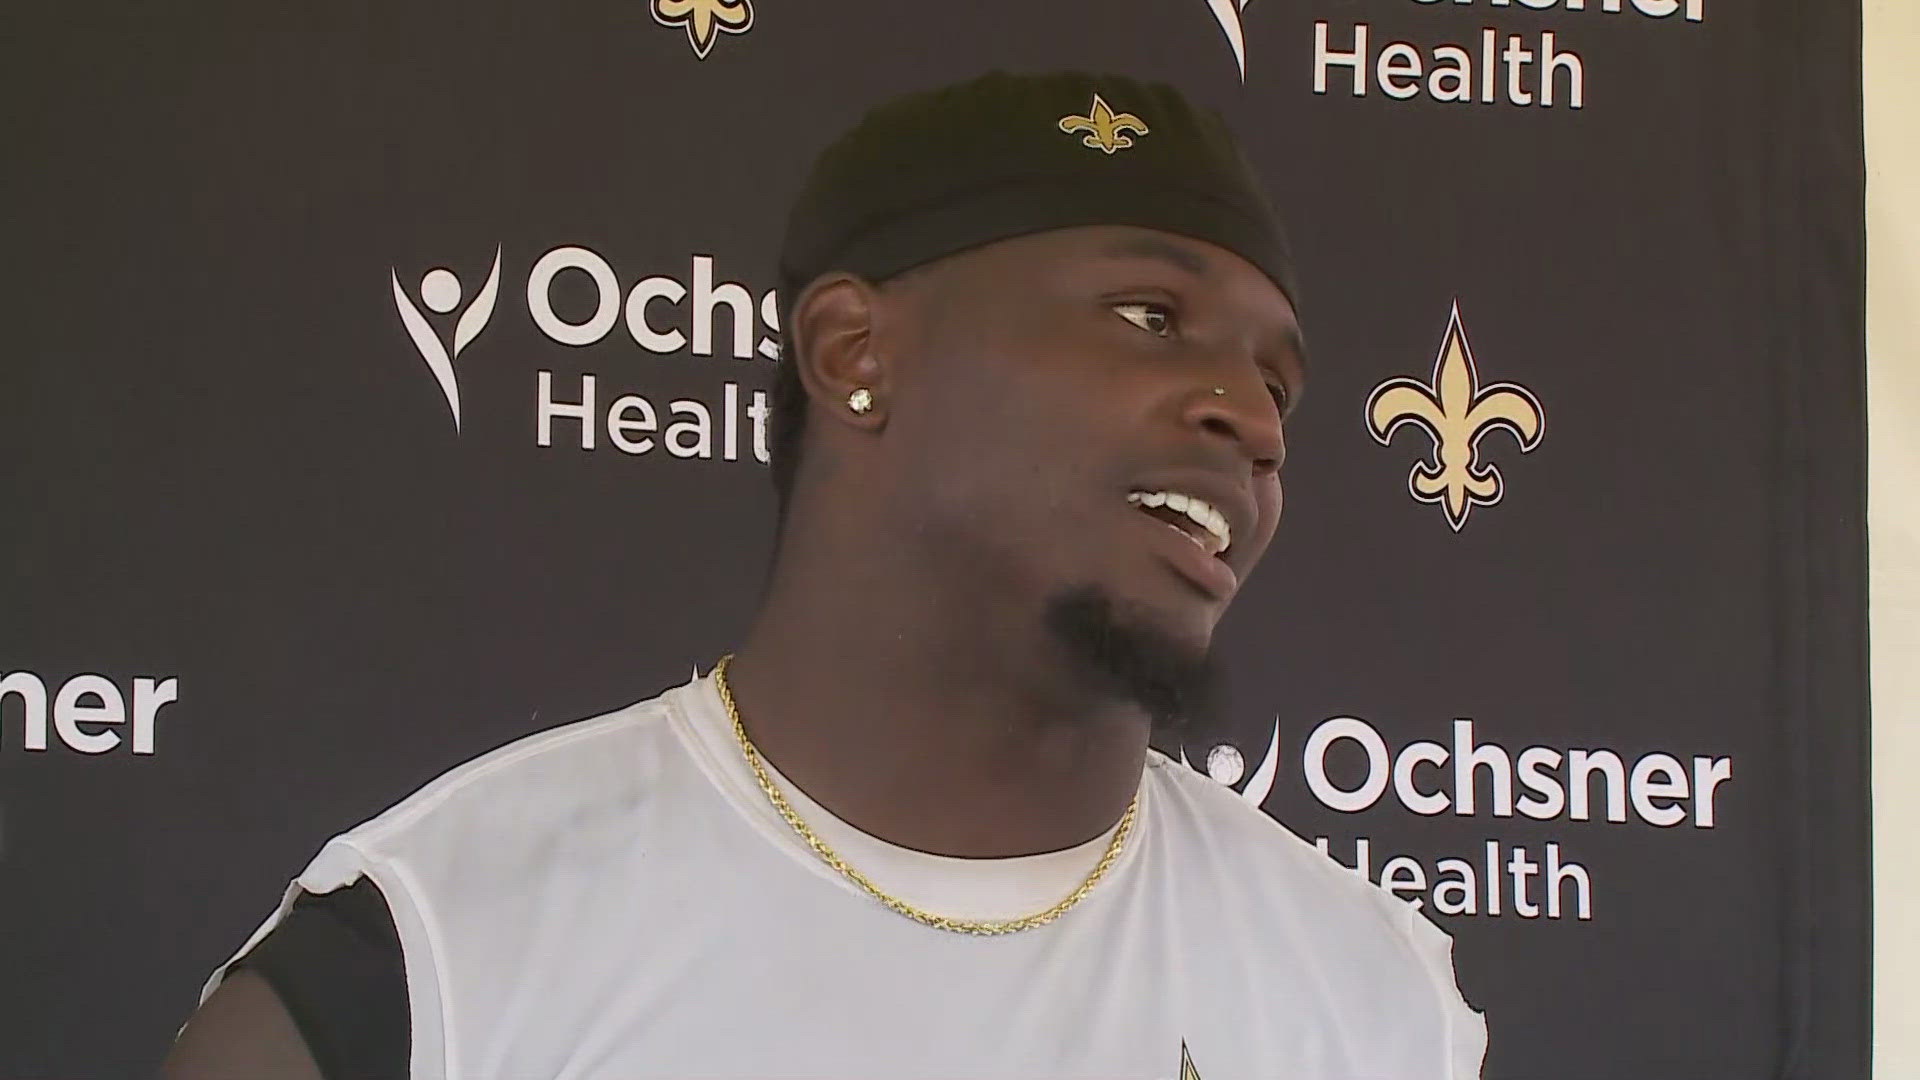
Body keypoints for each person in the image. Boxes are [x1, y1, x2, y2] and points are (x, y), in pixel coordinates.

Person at [164, 69, 1486, 1080]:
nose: (1252, 423)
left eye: (1278, 383)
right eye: (1150, 317)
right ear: (856, 351)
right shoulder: (429, 960)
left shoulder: (1374, 1001)